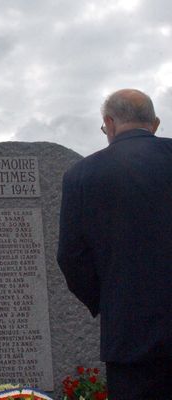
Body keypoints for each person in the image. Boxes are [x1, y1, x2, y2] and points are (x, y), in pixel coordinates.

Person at [57, 88, 172, 399]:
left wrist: (109, 299)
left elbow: (71, 257)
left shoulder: (81, 175)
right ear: (156, 123)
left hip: (130, 338)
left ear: (109, 122)